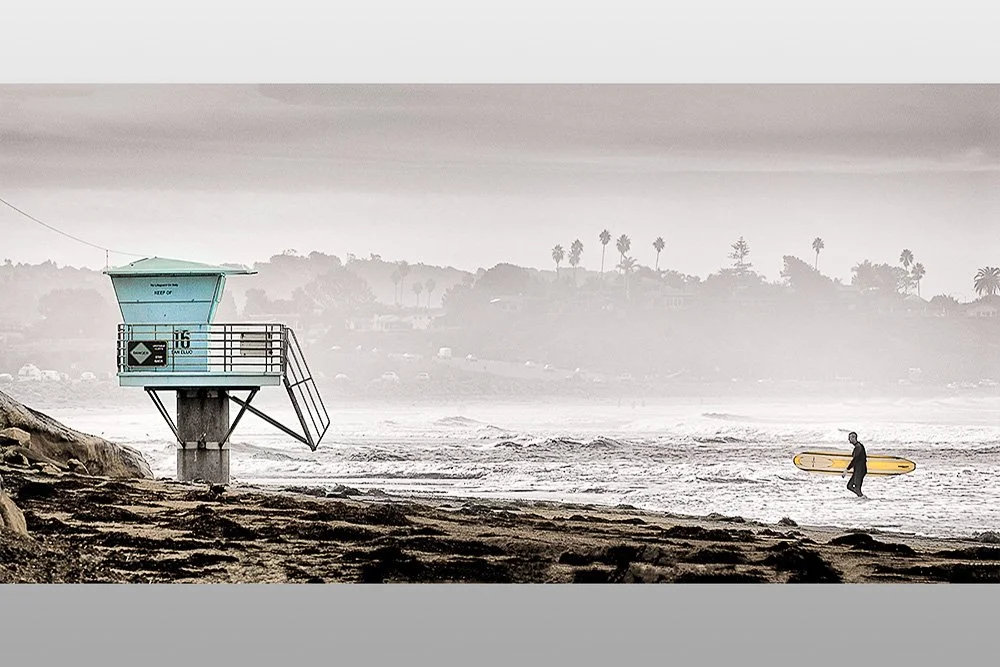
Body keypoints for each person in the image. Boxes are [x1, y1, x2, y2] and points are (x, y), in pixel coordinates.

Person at [842, 431, 867, 497]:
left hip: (860, 470)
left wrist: (847, 469)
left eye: (849, 438)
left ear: (853, 437)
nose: (848, 439)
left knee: (857, 487)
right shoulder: (858, 446)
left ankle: (861, 497)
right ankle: (861, 496)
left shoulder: (858, 447)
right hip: (858, 470)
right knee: (849, 486)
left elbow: (855, 460)